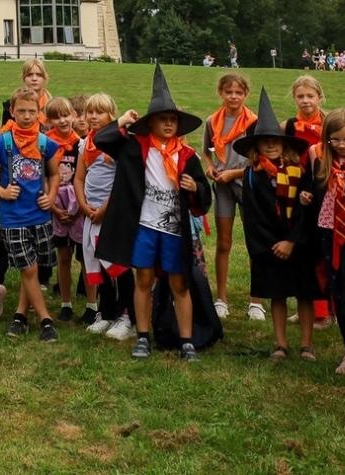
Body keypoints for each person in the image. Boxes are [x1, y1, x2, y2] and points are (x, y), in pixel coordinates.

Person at [94, 65, 213, 361]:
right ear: (151, 124)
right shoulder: (135, 148)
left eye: (173, 120)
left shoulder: (186, 156)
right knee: (143, 279)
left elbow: (203, 192)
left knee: (179, 282)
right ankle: (143, 335)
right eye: (163, 119)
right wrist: (121, 121)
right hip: (145, 226)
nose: (170, 124)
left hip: (174, 229)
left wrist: (194, 188)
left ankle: (186, 341)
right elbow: (101, 141)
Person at [236, 88, 320, 362]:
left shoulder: (300, 172)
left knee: (305, 294)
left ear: (285, 144)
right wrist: (273, 245)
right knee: (278, 295)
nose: (271, 146)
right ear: (256, 146)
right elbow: (253, 215)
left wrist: (292, 240)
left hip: (300, 243)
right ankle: (281, 343)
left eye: (276, 141)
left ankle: (307, 344)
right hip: (270, 246)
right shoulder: (252, 175)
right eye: (265, 142)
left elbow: (307, 210)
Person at [0, 87, 59, 342]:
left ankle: (20, 316)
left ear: (40, 113)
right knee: (28, 269)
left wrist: (52, 195)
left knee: (32, 270)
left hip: (39, 216)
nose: (26, 116)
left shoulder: (45, 143)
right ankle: (46, 320)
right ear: (12, 111)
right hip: (13, 218)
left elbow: (54, 173)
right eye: (21, 111)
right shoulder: (2, 142)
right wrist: (1, 191)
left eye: (32, 111)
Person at [305, 109, 345, 374]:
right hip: (328, 235)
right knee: (337, 292)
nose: (342, 145)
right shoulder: (319, 162)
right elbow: (311, 190)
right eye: (336, 140)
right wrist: (305, 197)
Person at [201, 71, 263, 322]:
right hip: (223, 187)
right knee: (223, 243)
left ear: (246, 94)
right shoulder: (212, 121)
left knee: (253, 244)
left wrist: (234, 172)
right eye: (229, 92)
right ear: (221, 93)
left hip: (247, 184)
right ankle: (222, 299)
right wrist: (209, 167)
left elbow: (260, 159)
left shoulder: (253, 123)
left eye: (238, 92)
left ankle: (256, 301)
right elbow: (207, 151)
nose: (234, 97)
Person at [76, 92, 133, 339]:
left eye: (99, 112)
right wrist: (83, 205)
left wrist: (105, 209)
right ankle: (106, 312)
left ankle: (127, 316)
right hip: (91, 212)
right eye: (90, 112)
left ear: (112, 116)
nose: (93, 116)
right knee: (97, 263)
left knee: (118, 267)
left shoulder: (120, 142)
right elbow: (80, 177)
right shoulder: (84, 144)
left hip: (112, 213)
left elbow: (123, 181)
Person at [43, 96, 82, 320]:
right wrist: (55, 209)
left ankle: (91, 304)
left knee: (86, 258)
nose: (62, 120)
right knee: (63, 256)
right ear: (48, 121)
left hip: (78, 206)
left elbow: (84, 177)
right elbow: (45, 176)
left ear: (74, 116)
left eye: (66, 115)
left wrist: (78, 208)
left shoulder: (82, 144)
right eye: (56, 117)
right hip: (56, 205)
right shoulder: (47, 143)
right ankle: (66, 302)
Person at [286, 75, 326, 152]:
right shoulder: (288, 126)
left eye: (310, 96)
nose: (305, 101)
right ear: (294, 98)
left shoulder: (329, 123)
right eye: (300, 97)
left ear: (319, 98)